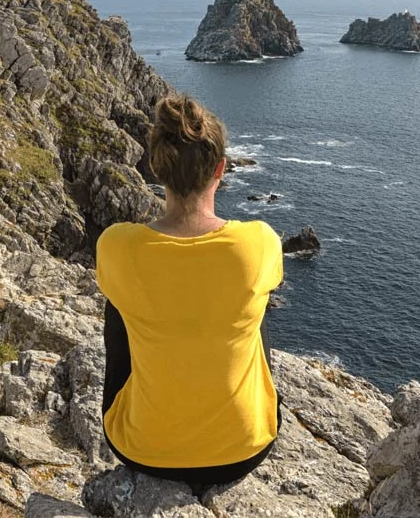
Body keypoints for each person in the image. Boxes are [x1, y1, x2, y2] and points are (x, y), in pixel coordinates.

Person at [96, 93, 283, 489]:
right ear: (221, 169)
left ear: (155, 167)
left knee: (121, 306)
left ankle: (157, 414)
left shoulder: (117, 245)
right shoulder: (259, 242)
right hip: (244, 449)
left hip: (143, 450)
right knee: (256, 301)